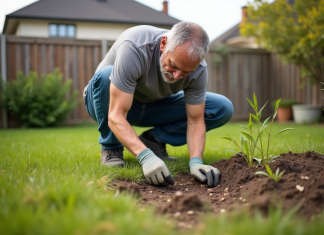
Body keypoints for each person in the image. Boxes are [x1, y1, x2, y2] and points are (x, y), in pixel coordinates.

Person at [83, 22, 234, 188]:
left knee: (221, 107)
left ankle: (153, 140)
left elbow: (196, 120)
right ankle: (111, 147)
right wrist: (146, 157)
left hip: (153, 106)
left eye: (186, 72)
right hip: (106, 103)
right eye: (174, 65)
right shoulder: (135, 46)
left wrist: (196, 161)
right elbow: (115, 115)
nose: (177, 76)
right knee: (106, 75)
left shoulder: (198, 69)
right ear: (163, 44)